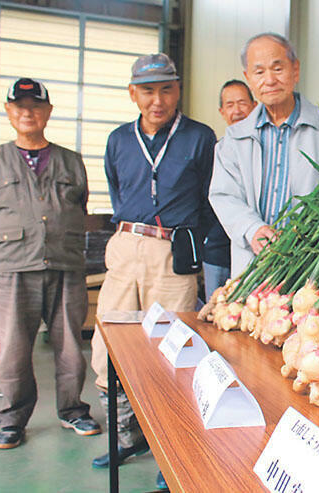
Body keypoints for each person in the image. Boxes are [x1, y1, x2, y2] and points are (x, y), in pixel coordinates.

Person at [89, 53, 222, 490]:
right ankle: (127, 437)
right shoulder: (118, 140)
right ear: (133, 94)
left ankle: (170, 455)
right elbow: (117, 187)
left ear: (178, 90)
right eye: (147, 91)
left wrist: (195, 248)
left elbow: (209, 200)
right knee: (110, 346)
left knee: (171, 354)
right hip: (126, 247)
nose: (157, 99)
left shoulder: (200, 137)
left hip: (174, 253)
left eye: (166, 89)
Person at [0, 78, 101, 449]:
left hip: (65, 265)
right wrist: (18, 235)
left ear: (48, 111)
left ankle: (73, 410)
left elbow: (80, 207)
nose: (27, 112)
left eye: (35, 106)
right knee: (13, 348)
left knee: (70, 347)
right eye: (19, 106)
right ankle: (13, 420)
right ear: (9, 111)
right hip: (13, 269)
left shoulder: (71, 161)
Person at [210, 33, 319, 277]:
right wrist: (252, 228)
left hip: (313, 266)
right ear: (248, 78)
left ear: (295, 70)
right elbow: (224, 195)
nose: (269, 80)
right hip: (253, 267)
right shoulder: (234, 138)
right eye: (259, 72)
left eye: (278, 69)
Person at [201, 80, 257, 300]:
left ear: (254, 106)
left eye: (242, 103)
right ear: (222, 111)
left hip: (254, 252)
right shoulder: (217, 149)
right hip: (216, 252)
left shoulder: (265, 148)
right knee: (218, 314)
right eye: (230, 105)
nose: (237, 110)